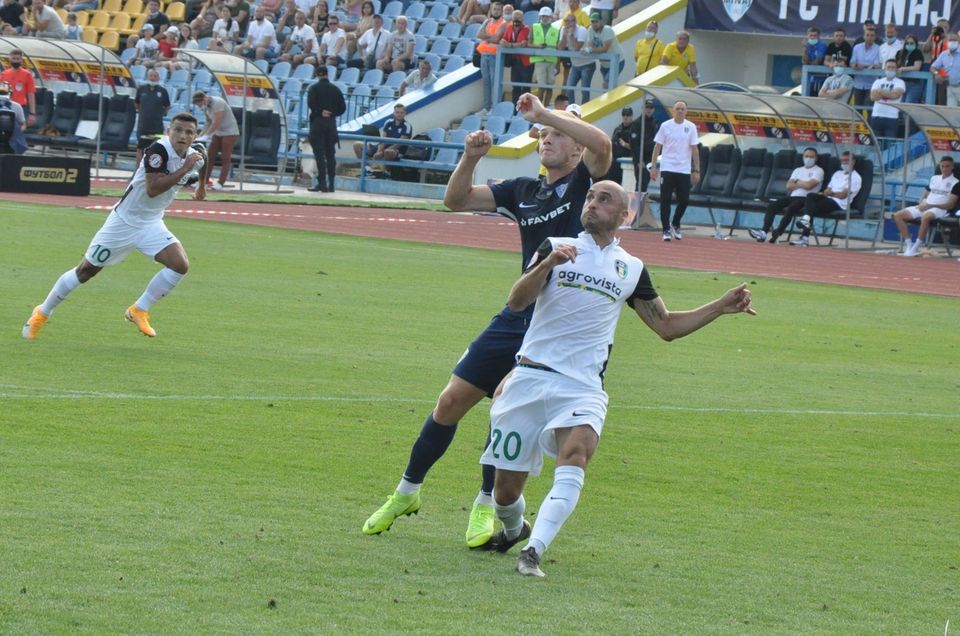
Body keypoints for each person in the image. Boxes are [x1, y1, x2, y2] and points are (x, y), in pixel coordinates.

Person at [361, 92, 613, 549]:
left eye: (558, 135)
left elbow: (601, 144)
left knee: (503, 408)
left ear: (575, 147)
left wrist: (543, 115)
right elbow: (454, 200)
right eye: (543, 135)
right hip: (518, 311)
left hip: (556, 326)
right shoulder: (523, 190)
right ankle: (406, 493)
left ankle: (482, 506)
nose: (547, 139)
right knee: (450, 402)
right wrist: (470, 157)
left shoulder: (585, 187)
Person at [482, 180, 756, 577]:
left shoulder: (631, 267)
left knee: (576, 453)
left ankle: (533, 552)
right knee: (506, 492)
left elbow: (665, 325)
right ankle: (514, 529)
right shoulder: (555, 245)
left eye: (604, 199)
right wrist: (547, 264)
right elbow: (516, 301)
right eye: (590, 197)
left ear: (625, 216)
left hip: (583, 385)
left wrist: (720, 306)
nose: (592, 204)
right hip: (530, 376)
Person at [21, 113, 207, 341]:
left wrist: (201, 187)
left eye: (188, 132)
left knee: (180, 265)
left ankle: (139, 309)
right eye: (178, 130)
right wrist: (186, 167)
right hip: (123, 223)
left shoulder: (194, 154)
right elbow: (153, 189)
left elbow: (202, 161)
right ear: (169, 130)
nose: (182, 135)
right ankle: (42, 311)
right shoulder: (158, 151)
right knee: (86, 271)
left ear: (194, 136)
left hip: (151, 223)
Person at [747, 147, 823, 244]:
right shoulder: (798, 170)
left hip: (806, 199)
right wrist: (801, 184)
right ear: (803, 157)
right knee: (772, 206)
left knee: (791, 208)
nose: (808, 158)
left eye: (811, 157)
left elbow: (809, 186)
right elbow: (789, 186)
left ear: (816, 158)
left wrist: (797, 182)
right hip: (792, 196)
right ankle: (763, 232)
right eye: (806, 156)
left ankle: (779, 231)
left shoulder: (819, 171)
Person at [649, 99, 700, 241]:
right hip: (667, 168)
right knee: (665, 200)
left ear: (686, 111)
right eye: (677, 108)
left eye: (682, 109)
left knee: (684, 200)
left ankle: (675, 223)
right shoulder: (666, 126)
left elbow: (695, 149)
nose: (680, 111)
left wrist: (697, 170)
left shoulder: (691, 127)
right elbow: (657, 147)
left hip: (684, 170)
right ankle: (665, 229)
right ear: (673, 110)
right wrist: (654, 167)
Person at [788, 151, 862, 247]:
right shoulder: (837, 173)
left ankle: (804, 237)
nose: (844, 163)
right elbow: (827, 189)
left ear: (853, 162)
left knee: (811, 208)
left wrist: (830, 193)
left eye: (847, 161)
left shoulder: (856, 177)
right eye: (842, 161)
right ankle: (805, 221)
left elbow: (843, 195)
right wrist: (829, 193)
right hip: (828, 198)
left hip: (839, 203)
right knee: (810, 196)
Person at [892, 155, 960, 256]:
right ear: (940, 167)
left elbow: (950, 205)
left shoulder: (956, 183)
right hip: (926, 205)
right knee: (897, 215)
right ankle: (909, 244)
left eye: (947, 166)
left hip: (939, 209)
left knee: (926, 217)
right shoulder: (934, 178)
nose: (944, 169)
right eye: (942, 166)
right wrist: (921, 202)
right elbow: (926, 192)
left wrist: (929, 205)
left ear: (952, 167)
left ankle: (917, 246)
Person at [306, 65, 345, 192]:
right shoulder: (336, 90)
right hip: (331, 124)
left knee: (319, 155)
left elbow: (311, 104)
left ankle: (322, 183)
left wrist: (320, 111)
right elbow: (342, 108)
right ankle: (332, 184)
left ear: (317, 75)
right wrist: (332, 113)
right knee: (330, 155)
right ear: (328, 74)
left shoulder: (313, 88)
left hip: (317, 123)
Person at [192, 90, 240, 191]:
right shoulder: (206, 107)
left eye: (199, 103)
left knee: (225, 158)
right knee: (209, 157)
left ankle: (220, 183)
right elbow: (208, 122)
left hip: (229, 132)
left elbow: (217, 122)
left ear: (204, 99)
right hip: (218, 133)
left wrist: (207, 135)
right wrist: (200, 136)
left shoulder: (218, 102)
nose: (199, 106)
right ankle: (203, 182)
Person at [134, 68, 171, 167]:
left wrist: (160, 114)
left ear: (158, 77)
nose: (153, 78)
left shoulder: (162, 91)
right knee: (140, 147)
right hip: (143, 125)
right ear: (148, 76)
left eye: (155, 76)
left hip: (157, 125)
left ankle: (152, 168)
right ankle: (138, 170)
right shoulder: (141, 89)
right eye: (151, 75)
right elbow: (136, 103)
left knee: (156, 147)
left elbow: (167, 105)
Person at [476, 2, 507, 113]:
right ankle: (486, 107)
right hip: (484, 54)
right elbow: (478, 34)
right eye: (494, 9)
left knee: (495, 82)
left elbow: (496, 38)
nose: (496, 11)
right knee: (486, 82)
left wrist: (486, 38)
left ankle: (494, 107)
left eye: (498, 9)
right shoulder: (487, 21)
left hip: (495, 55)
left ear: (501, 11)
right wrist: (490, 38)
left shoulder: (503, 23)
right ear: (491, 9)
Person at [528, 7, 559, 105]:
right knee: (541, 86)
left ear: (550, 17)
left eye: (547, 16)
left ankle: (545, 108)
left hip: (552, 60)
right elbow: (528, 43)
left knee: (550, 86)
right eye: (543, 16)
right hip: (540, 59)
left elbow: (558, 48)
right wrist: (537, 46)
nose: (545, 18)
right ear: (540, 16)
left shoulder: (556, 29)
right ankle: (538, 108)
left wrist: (558, 64)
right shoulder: (534, 26)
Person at [501, 9, 532, 105]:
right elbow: (502, 42)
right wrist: (513, 45)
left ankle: (526, 108)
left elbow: (522, 44)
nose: (516, 20)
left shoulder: (526, 28)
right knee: (515, 86)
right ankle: (515, 108)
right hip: (515, 62)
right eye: (515, 17)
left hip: (526, 62)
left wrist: (509, 45)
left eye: (518, 18)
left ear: (522, 19)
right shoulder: (509, 27)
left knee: (526, 88)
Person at [869, 58, 905, 142]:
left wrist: (880, 91)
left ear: (896, 69)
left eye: (893, 67)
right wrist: (889, 93)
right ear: (884, 68)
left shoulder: (900, 82)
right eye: (889, 67)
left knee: (890, 145)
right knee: (876, 145)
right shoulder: (878, 81)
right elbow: (873, 97)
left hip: (891, 117)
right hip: (876, 116)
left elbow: (895, 95)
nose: (891, 69)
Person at [0, 48, 36, 129]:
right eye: (13, 58)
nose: (15, 61)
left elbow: (31, 94)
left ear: (21, 60)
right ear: (9, 59)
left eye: (18, 59)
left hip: (21, 108)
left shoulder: (27, 75)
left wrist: (32, 113)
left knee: (19, 130)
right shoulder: (4, 74)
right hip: (6, 107)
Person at [586, 11, 622, 92]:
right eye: (592, 21)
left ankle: (610, 103)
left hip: (617, 62)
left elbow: (605, 49)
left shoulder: (608, 30)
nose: (594, 24)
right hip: (604, 64)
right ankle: (613, 102)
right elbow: (590, 46)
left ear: (601, 21)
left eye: (596, 21)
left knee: (606, 85)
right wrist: (591, 49)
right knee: (609, 87)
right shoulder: (590, 30)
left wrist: (591, 49)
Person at [559, 13, 590, 105]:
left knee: (584, 89)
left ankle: (585, 109)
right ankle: (572, 109)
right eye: (566, 21)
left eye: (571, 21)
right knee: (569, 88)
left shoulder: (582, 30)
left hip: (587, 64)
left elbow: (577, 48)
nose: (568, 23)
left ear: (575, 22)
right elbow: (560, 47)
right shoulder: (563, 30)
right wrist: (565, 36)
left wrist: (571, 35)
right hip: (575, 64)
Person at [629, 98, 659, 192]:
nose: (649, 110)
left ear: (653, 109)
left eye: (651, 108)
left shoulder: (655, 122)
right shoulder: (637, 123)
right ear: (643, 108)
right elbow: (634, 143)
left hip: (651, 157)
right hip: (640, 157)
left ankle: (641, 203)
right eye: (647, 107)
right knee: (641, 182)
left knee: (645, 182)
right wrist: (639, 159)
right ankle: (636, 205)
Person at [849, 27, 881, 106]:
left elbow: (876, 65)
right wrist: (856, 66)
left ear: (875, 37)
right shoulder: (857, 47)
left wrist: (862, 66)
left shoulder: (878, 48)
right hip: (858, 83)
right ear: (864, 36)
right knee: (857, 108)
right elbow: (852, 63)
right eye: (867, 35)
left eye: (872, 35)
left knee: (869, 108)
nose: (869, 37)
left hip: (872, 84)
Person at [930, 33, 960, 107]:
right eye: (950, 40)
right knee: (951, 113)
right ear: (947, 41)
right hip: (950, 87)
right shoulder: (944, 54)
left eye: (954, 40)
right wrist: (936, 74)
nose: (952, 42)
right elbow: (932, 67)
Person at [603, 106, 631, 184]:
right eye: (624, 115)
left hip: (626, 163)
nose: (625, 117)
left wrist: (625, 145)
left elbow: (638, 147)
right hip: (614, 163)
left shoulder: (634, 129)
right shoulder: (618, 129)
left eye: (628, 115)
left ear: (631, 116)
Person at [895, 34, 924, 104]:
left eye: (911, 43)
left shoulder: (918, 52)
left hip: (914, 83)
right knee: (899, 106)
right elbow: (895, 65)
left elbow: (917, 67)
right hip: (901, 83)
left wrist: (903, 69)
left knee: (909, 104)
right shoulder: (900, 53)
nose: (909, 45)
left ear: (916, 44)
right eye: (907, 43)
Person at [802, 26, 827, 95]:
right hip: (810, 78)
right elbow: (804, 62)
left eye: (815, 36)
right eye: (811, 35)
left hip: (821, 78)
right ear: (808, 36)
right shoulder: (807, 45)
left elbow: (817, 62)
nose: (812, 37)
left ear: (819, 36)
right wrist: (805, 49)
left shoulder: (822, 45)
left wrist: (809, 63)